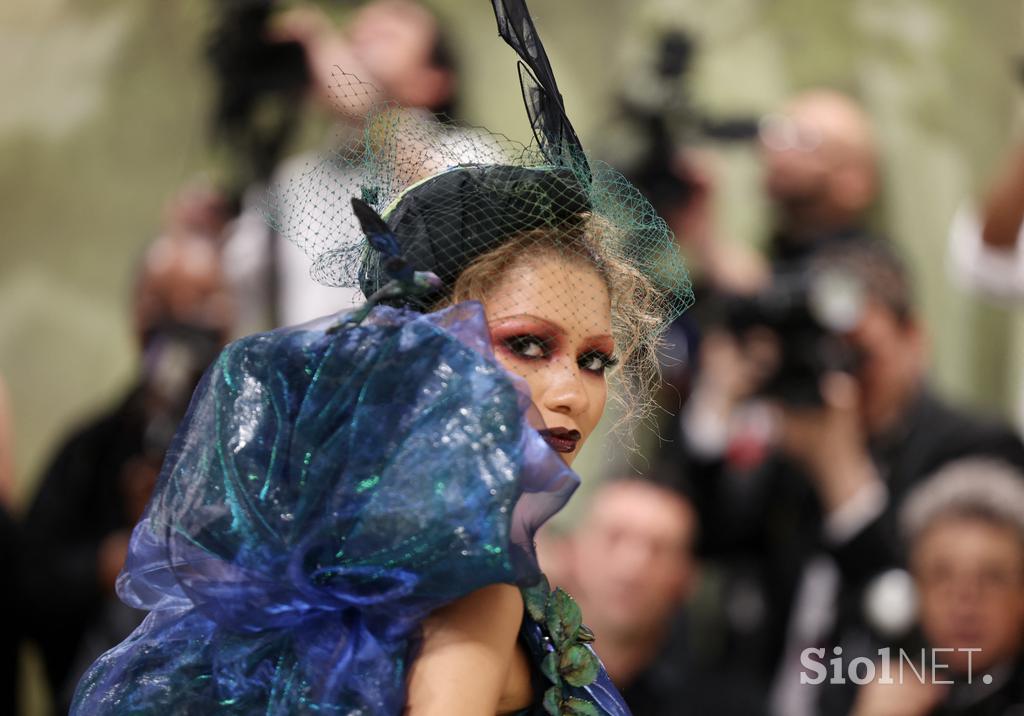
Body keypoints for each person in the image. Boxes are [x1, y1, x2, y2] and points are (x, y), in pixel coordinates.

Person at [69, 1, 691, 713]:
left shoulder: (349, 564)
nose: (571, 392)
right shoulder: (467, 585)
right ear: (422, 351)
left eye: (595, 360)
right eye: (526, 344)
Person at [670, 240, 1024, 715]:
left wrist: (841, 473)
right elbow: (713, 539)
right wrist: (717, 400)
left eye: (860, 357)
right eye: (825, 355)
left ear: (914, 338)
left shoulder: (976, 449)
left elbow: (934, 618)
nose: (843, 382)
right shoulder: (800, 429)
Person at [22, 230, 234, 710]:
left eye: (200, 301)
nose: (181, 321)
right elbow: (30, 578)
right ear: (136, 315)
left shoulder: (267, 443)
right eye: (161, 301)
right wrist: (110, 562)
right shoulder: (90, 451)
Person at [221, 0, 463, 334]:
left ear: (433, 81)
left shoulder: (466, 152)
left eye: (385, 36)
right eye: (350, 38)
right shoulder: (290, 178)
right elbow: (240, 294)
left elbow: (459, 226)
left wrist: (375, 113)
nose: (357, 45)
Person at [823, 458, 1024, 716]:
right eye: (941, 576)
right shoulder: (861, 678)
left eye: (992, 578)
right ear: (913, 589)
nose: (965, 601)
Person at [555, 477, 765, 716]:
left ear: (686, 578)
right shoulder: (516, 667)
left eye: (658, 549)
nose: (631, 568)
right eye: (614, 538)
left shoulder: (726, 707)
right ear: (571, 550)